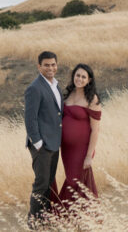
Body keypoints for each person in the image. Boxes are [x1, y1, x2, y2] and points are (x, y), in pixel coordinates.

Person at [55, 63, 102, 213]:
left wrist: (89, 156)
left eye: (83, 77)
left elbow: (95, 130)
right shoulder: (68, 94)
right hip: (67, 149)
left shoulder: (92, 99)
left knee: (75, 180)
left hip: (82, 149)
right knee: (71, 179)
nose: (79, 79)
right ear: (73, 76)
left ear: (89, 80)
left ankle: (75, 215)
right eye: (77, 75)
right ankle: (72, 215)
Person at [24, 50, 62, 227]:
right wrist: (38, 143)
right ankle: (33, 223)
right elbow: (30, 119)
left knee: (48, 184)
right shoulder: (34, 88)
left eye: (53, 64)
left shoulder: (55, 85)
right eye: (46, 65)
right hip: (42, 146)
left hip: (54, 143)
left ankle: (44, 219)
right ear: (39, 66)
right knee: (41, 184)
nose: (50, 68)